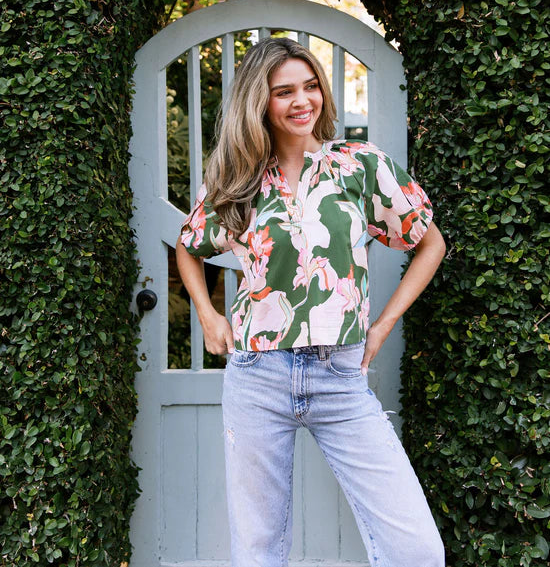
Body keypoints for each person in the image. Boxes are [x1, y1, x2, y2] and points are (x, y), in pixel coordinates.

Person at [176, 36, 446, 567]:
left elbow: (429, 243)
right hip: (257, 376)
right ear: (259, 102)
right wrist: (207, 315)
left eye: (311, 86)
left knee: (416, 549)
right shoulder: (238, 178)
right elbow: (189, 246)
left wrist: (382, 325)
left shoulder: (360, 166)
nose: (303, 101)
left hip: (339, 376)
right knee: (258, 552)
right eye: (284, 92)